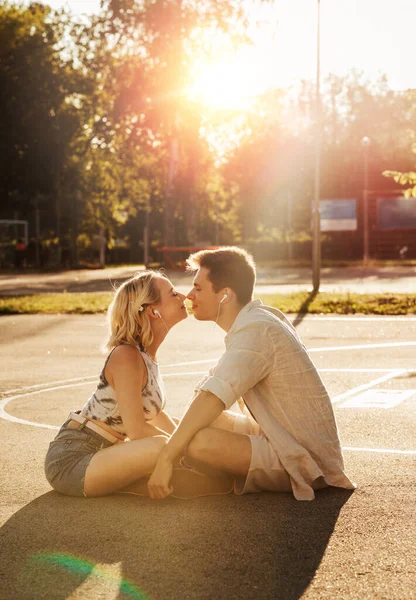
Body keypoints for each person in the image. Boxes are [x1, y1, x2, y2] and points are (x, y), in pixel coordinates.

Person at [148, 247, 356, 501]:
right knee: (197, 423)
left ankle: (197, 475)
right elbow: (207, 393)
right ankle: (200, 470)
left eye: (198, 288)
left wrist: (167, 456)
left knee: (198, 442)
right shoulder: (256, 320)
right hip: (280, 432)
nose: (189, 295)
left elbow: (212, 396)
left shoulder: (256, 330)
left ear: (225, 295)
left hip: (303, 455)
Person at [44, 270, 232, 498]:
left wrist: (193, 444)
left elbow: (156, 417)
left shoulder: (146, 356)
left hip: (108, 452)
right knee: (163, 447)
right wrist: (186, 452)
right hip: (73, 460)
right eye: (172, 294)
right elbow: (136, 429)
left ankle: (165, 477)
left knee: (183, 435)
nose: (183, 296)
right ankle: (166, 476)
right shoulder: (126, 355)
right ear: (153, 310)